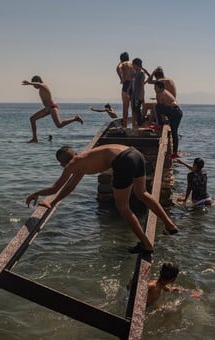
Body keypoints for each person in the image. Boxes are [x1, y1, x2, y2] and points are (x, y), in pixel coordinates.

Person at [26, 144, 179, 254]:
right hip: (134, 153)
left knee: (123, 207)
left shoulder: (71, 165)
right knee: (142, 193)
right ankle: (169, 224)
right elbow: (70, 187)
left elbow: (55, 187)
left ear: (62, 162)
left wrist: (36, 193)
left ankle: (146, 244)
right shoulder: (82, 159)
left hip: (123, 161)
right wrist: (51, 202)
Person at [22, 75, 84, 143]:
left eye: (34, 85)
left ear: (37, 81)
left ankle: (75, 118)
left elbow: (39, 84)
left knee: (59, 125)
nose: (34, 87)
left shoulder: (44, 85)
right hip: (47, 108)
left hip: (52, 107)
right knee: (32, 119)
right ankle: (34, 138)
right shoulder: (40, 88)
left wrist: (29, 83)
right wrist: (31, 83)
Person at [154, 81, 183, 159]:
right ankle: (175, 153)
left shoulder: (159, 94)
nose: (154, 89)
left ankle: (159, 125)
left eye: (155, 87)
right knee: (174, 132)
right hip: (178, 112)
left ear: (160, 88)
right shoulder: (165, 92)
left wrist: (161, 122)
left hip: (174, 112)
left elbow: (159, 108)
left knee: (156, 107)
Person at [131, 58, 151, 129]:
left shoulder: (141, 74)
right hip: (134, 95)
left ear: (137, 65)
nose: (132, 66)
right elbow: (132, 84)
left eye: (133, 65)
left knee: (137, 109)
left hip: (139, 94)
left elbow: (142, 85)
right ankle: (138, 123)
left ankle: (140, 123)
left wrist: (141, 95)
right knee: (134, 109)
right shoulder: (134, 74)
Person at [116, 52, 134, 127]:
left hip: (126, 84)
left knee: (125, 107)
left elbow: (118, 68)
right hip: (133, 85)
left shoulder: (123, 64)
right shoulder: (132, 64)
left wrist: (121, 78)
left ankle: (125, 125)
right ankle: (134, 125)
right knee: (133, 107)